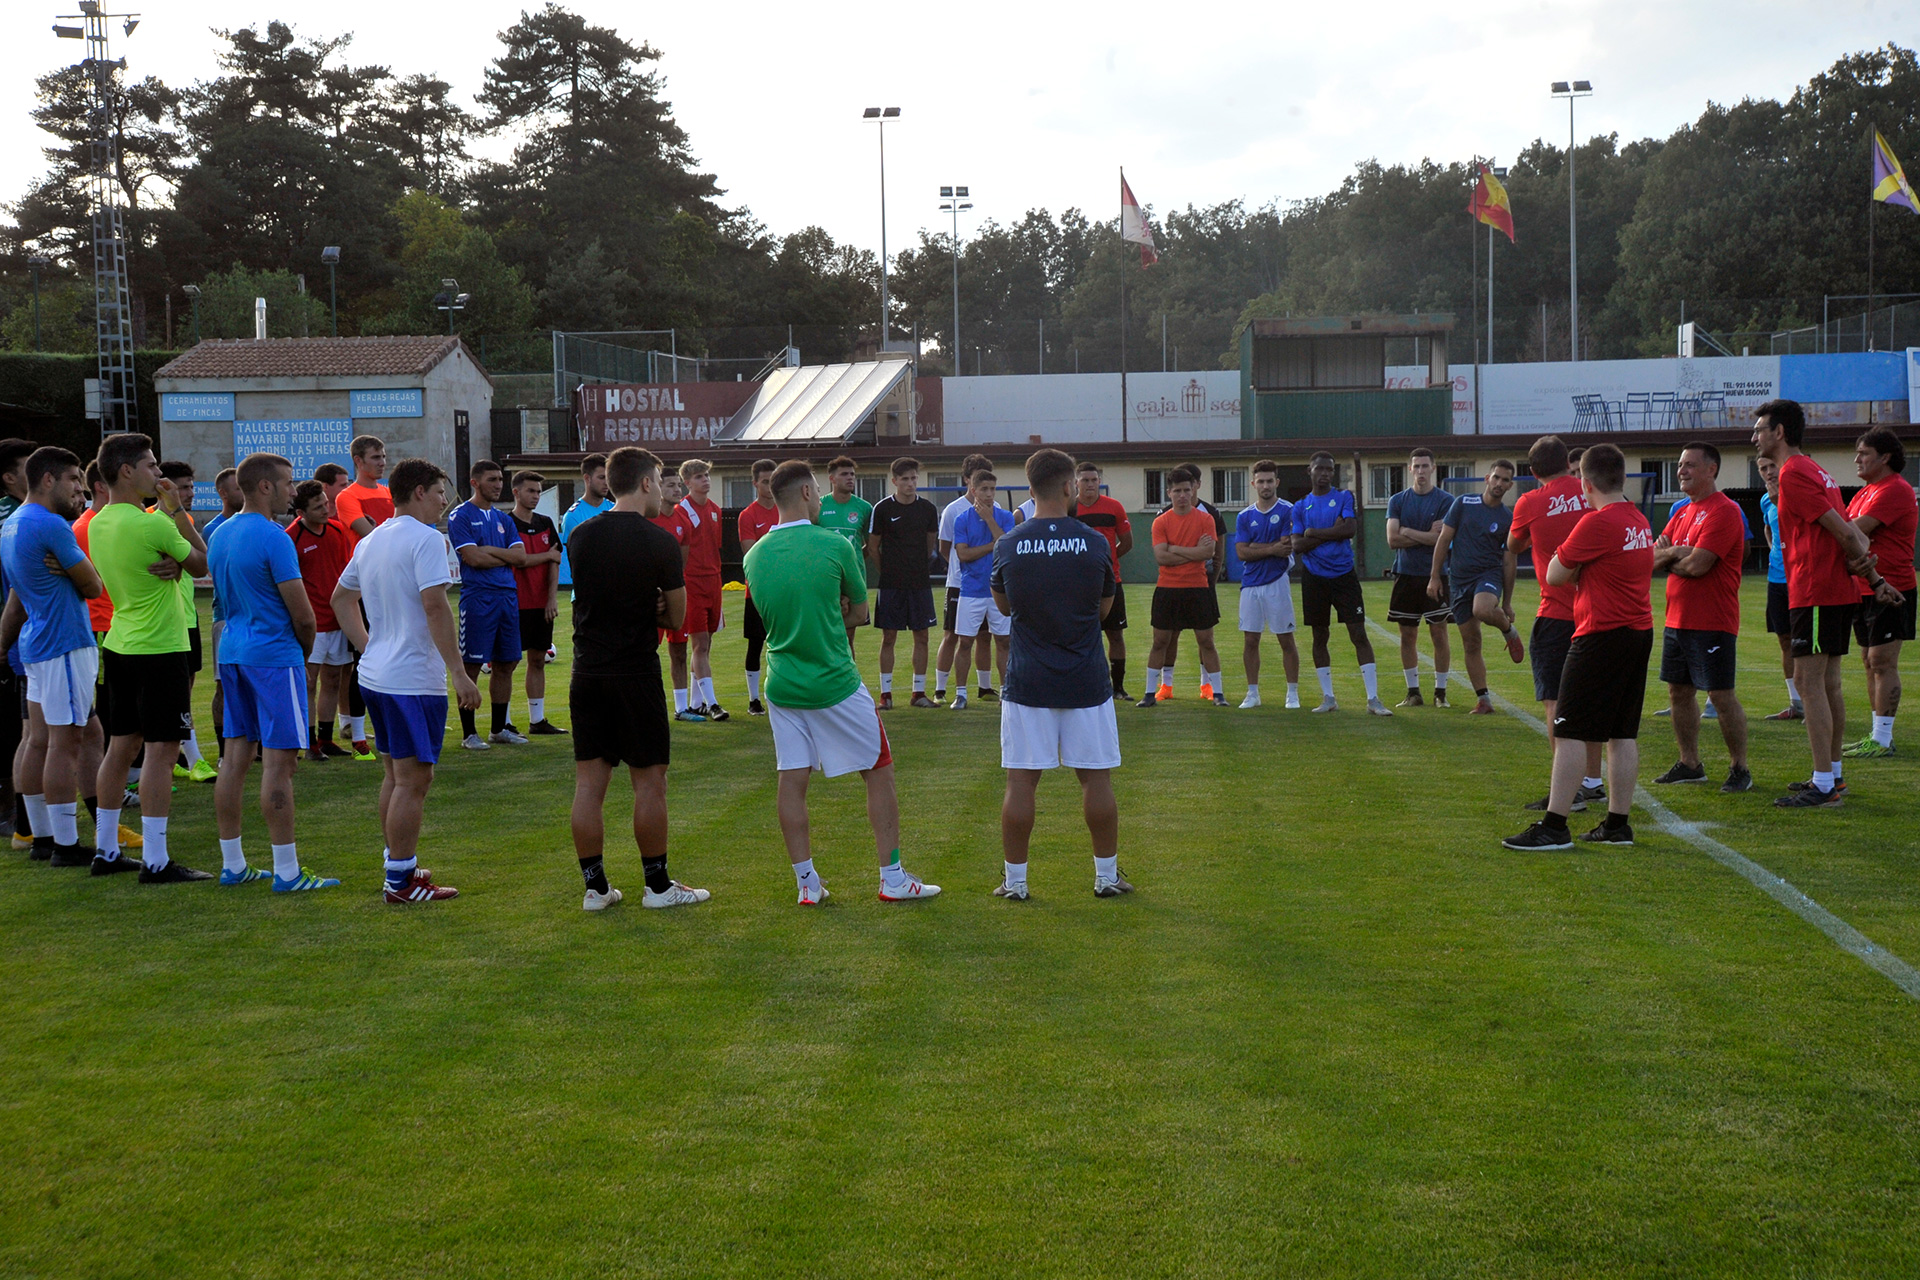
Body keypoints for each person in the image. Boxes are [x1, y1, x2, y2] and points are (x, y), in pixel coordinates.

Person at [743, 459, 939, 905]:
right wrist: (837, 610)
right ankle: (892, 878)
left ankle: (807, 885)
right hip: (834, 679)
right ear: (809, 493)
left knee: (791, 780)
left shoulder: (754, 555)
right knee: (879, 770)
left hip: (782, 683)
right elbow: (859, 613)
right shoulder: (834, 545)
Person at [565, 446, 709, 911]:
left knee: (589, 785)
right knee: (650, 783)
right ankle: (659, 887)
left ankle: (596, 888)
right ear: (647, 482)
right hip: (635, 673)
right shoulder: (659, 541)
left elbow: (586, 600)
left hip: (586, 671)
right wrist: (654, 607)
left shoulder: (581, 535)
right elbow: (677, 617)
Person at [332, 458, 481, 903]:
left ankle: (399, 862)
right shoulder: (428, 540)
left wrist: (370, 646)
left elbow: (342, 599)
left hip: (378, 675)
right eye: (439, 492)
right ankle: (400, 881)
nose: (443, 502)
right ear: (419, 491)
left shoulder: (373, 538)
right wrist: (459, 673)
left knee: (396, 776)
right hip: (412, 679)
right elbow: (435, 607)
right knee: (414, 780)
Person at [991, 448, 1128, 899]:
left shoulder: (1008, 543)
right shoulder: (1094, 542)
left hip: (1028, 680)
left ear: (1030, 491)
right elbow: (1104, 610)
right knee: (1096, 779)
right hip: (1086, 679)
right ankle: (1106, 878)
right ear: (1070, 487)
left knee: (1021, 781)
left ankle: (1016, 884)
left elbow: (1005, 607)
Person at [1503, 444, 1654, 850]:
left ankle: (1554, 826)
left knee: (1568, 730)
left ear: (1585, 482)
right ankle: (1617, 824)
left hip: (1600, 633)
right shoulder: (1638, 518)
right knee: (1621, 732)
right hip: (1638, 630)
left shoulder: (1597, 523)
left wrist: (1577, 566)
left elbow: (1554, 574)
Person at [1752, 399, 1900, 807]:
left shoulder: (1796, 473)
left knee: (1809, 683)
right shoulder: (1814, 469)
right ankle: (1833, 775)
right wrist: (1872, 578)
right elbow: (1854, 534)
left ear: (1780, 432)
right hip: (1829, 590)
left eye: (1761, 429)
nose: (1755, 436)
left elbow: (1846, 535)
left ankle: (1822, 785)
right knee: (1827, 683)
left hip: (1816, 591)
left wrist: (1876, 579)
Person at [208, 453, 336, 892]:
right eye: (286, 484)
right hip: (272, 657)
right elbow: (303, 616)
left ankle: (234, 864)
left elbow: (222, 604)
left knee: (234, 759)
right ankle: (287, 872)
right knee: (280, 765)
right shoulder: (275, 537)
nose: (292, 491)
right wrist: (300, 654)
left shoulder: (220, 534)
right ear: (264, 487)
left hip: (233, 653)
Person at [89, 432, 212, 882]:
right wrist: (176, 510)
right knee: (163, 751)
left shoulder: (99, 521)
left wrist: (174, 557)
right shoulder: (153, 523)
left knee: (120, 748)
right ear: (127, 471)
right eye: (152, 466)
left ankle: (106, 850)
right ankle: (157, 861)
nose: (160, 475)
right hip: (160, 647)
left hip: (119, 643)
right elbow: (202, 563)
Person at [0, 447, 106, 869]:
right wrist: (79, 572)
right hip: (63, 642)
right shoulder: (50, 524)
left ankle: (40, 835)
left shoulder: (12, 524)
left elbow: (15, 598)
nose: (79, 486)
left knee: (42, 738)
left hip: (35, 643)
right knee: (67, 742)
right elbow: (94, 587)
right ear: (48, 479)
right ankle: (65, 843)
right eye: (73, 478)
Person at [1508, 435, 1607, 814]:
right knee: (1593, 703)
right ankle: (1593, 782)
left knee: (1556, 703)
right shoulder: (1591, 493)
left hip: (1556, 614)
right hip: (1596, 612)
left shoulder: (1530, 501)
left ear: (1532, 472)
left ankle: (1567, 792)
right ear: (1569, 462)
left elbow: (1514, 545)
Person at [1648, 442, 1752, 792]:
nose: (1681, 470)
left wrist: (1671, 555)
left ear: (1712, 470)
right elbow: (1652, 559)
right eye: (1680, 465)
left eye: (1690, 465)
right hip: (1677, 620)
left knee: (1721, 697)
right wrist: (1677, 552)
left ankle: (1740, 768)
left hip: (1713, 621)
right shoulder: (1681, 512)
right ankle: (1690, 763)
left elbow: (1698, 565)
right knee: (1678, 693)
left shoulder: (1725, 511)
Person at [70, 461, 138, 856]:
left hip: (113, 626)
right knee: (96, 726)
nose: (78, 496)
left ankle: (107, 808)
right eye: (74, 486)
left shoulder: (106, 522)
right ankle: (102, 819)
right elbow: (87, 580)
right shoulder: (87, 526)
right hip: (102, 628)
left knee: (102, 727)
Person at [1292, 452, 1391, 715]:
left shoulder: (1344, 497)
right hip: (1314, 578)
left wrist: (1314, 533)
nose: (1325, 473)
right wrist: (1329, 534)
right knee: (1319, 635)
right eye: (1319, 469)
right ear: (1309, 471)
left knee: (1358, 634)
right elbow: (1297, 545)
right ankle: (1328, 697)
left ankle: (1373, 699)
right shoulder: (1300, 506)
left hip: (1344, 575)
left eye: (1329, 469)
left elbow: (1349, 530)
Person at [1427, 460, 1525, 715]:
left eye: (1505, 480)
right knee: (1471, 643)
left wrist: (1506, 603)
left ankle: (1508, 630)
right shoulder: (1463, 504)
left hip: (1488, 575)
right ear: (1486, 478)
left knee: (1482, 609)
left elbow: (1509, 559)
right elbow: (1444, 538)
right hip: (1458, 581)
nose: (1499, 483)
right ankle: (1484, 700)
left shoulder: (1507, 518)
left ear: (1510, 485)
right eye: (1496, 478)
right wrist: (1435, 577)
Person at [1841, 428, 1917, 758]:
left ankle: (1883, 738)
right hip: (1864, 586)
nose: (1857, 459)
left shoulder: (1896, 490)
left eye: (1864, 453)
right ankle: (1877, 734)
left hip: (1892, 587)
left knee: (1882, 661)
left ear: (1885, 458)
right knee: (1868, 661)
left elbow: (1854, 531)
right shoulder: (1864, 492)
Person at [449, 459, 528, 749]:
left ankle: (498, 729)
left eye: (499, 480)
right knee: (471, 665)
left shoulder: (504, 519)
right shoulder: (461, 516)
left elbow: (520, 558)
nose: (498, 485)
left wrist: (490, 551)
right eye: (492, 480)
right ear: (475, 483)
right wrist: (501, 555)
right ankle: (469, 734)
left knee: (507, 662)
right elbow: (472, 558)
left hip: (507, 597)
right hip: (478, 598)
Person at [331, 434, 393, 759]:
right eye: (375, 457)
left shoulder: (388, 492)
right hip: (366, 586)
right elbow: (369, 533)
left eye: (383, 457)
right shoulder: (347, 497)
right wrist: (388, 529)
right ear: (358, 461)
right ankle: (356, 735)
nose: (382, 462)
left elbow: (391, 528)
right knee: (364, 658)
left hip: (392, 584)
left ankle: (388, 723)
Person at [1140, 469, 1224, 706]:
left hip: (1198, 587)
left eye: (1187, 490)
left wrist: (1174, 548)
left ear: (1193, 489)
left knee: (1206, 640)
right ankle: (1150, 693)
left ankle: (1217, 693)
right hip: (1168, 588)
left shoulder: (1206, 519)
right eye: (1177, 491)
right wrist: (1191, 553)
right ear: (1169, 493)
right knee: (1160, 641)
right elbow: (1161, 557)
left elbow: (1208, 553)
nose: (1182, 495)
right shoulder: (1161, 521)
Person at [157, 460, 217, 783]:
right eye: (183, 487)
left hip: (188, 617)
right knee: (175, 694)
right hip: (165, 622)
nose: (189, 493)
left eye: (191, 486)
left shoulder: (187, 520)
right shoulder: (152, 522)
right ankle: (194, 760)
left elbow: (200, 561)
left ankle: (180, 755)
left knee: (187, 688)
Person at [288, 480, 356, 761]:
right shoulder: (292, 537)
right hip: (311, 624)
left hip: (338, 619)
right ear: (301, 511)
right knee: (309, 682)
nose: (325, 509)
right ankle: (309, 741)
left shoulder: (338, 529)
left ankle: (327, 739)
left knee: (333, 680)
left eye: (326, 503)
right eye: (318, 507)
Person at [867, 456, 941, 709]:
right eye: (905, 479)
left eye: (914, 478)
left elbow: (930, 544)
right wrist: (887, 571)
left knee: (922, 637)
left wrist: (917, 567)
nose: (911, 483)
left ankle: (918, 693)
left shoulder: (928, 510)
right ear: (894, 481)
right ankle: (885, 695)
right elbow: (873, 547)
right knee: (889, 637)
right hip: (891, 585)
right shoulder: (882, 509)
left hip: (919, 583)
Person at [1385, 448, 1455, 707]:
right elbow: (1392, 540)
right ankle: (1413, 692)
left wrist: (1408, 531)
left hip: (1436, 575)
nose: (1421, 471)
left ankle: (1441, 692)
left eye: (1426, 466)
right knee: (1407, 635)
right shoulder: (1398, 501)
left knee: (1439, 633)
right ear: (1410, 468)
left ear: (1433, 468)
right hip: (1405, 575)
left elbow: (1443, 540)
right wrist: (1426, 534)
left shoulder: (1446, 501)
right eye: (1417, 466)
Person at [1234, 460, 1299, 709]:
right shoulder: (1244, 515)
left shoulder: (1288, 511)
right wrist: (1270, 548)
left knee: (1285, 638)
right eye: (1260, 481)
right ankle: (1252, 693)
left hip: (1277, 581)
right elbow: (1240, 552)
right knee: (1250, 640)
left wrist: (1256, 548)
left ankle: (1292, 692)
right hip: (1250, 584)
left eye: (1269, 480)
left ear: (1277, 482)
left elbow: (1285, 548)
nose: (1265, 485)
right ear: (1253, 484)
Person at [507, 469, 566, 735]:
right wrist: (545, 557)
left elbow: (556, 561)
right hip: (514, 603)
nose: (535, 496)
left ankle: (537, 720)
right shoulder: (505, 524)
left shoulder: (545, 523)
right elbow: (516, 561)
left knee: (538, 660)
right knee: (506, 663)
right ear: (516, 492)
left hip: (541, 604)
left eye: (539, 492)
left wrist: (551, 598)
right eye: (531, 491)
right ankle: (503, 721)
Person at [669, 459, 728, 721]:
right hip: (691, 583)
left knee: (706, 643)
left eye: (706, 475)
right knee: (700, 644)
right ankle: (712, 703)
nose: (705, 480)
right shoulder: (681, 511)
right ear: (687, 482)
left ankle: (696, 702)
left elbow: (714, 548)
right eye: (698, 476)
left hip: (713, 582)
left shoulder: (715, 509)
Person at [950, 470, 1013, 710]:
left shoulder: (1005, 516)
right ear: (973, 490)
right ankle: (961, 693)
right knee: (965, 642)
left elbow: (1006, 546)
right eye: (984, 489)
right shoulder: (962, 519)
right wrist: (991, 545)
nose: (989, 494)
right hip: (971, 590)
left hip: (999, 590)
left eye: (992, 489)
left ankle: (1006, 692)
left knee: (1004, 642)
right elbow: (963, 554)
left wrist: (989, 520)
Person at [934, 454, 993, 702]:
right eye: (976, 477)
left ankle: (985, 687)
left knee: (985, 636)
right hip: (959, 585)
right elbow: (945, 548)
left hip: (987, 586)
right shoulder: (953, 510)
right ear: (967, 479)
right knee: (952, 635)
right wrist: (962, 570)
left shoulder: (996, 509)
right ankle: (940, 690)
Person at [1073, 462, 1134, 699]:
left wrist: (1105, 563)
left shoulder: (1114, 507)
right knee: (1080, 636)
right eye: (1085, 480)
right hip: (1077, 585)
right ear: (1076, 482)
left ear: (1099, 482)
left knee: (1115, 634)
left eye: (1094, 480)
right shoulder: (1069, 508)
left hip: (1110, 582)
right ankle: (1083, 686)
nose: (1090, 484)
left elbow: (1127, 542)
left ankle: (1117, 687)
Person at [0, 438, 35, 842]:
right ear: (9, 477)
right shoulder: (21, 520)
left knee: (31, 735)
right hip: (26, 642)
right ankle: (24, 823)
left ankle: (25, 822)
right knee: (34, 736)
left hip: (22, 640)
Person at [650, 472, 701, 722]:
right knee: (647, 650)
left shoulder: (683, 518)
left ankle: (682, 708)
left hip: (675, 592)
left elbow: (683, 559)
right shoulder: (649, 517)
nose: (677, 489)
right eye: (670, 485)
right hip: (650, 595)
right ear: (658, 488)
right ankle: (648, 704)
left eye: (678, 485)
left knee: (679, 649)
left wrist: (673, 588)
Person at [1755, 456, 1802, 722]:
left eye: (1773, 466)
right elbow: (1768, 526)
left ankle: (1815, 701)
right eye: (1763, 468)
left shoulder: (1799, 495)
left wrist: (1780, 503)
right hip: (1777, 580)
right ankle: (1796, 704)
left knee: (1808, 644)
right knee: (1785, 640)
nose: (1769, 472)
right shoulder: (1765, 500)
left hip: (1801, 579)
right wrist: (1774, 549)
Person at [815, 455, 873, 659]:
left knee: (848, 636)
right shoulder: (819, 506)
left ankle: (849, 683)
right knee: (825, 633)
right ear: (832, 478)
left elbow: (870, 545)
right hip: (825, 578)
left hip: (852, 578)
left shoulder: (864, 508)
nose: (850, 478)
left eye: (852, 474)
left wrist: (853, 563)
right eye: (844, 474)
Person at [737, 458, 779, 716]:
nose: (770, 486)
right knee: (756, 644)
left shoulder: (785, 509)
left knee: (785, 644)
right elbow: (750, 554)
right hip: (758, 592)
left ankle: (781, 694)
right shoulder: (748, 515)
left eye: (773, 480)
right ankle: (754, 700)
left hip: (785, 590)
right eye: (765, 481)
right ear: (755, 484)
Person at [559, 451, 613, 601]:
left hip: (614, 593)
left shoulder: (615, 509)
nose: (606, 483)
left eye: (608, 478)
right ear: (587, 478)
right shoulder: (573, 516)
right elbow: (576, 561)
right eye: (601, 477)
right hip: (586, 595)